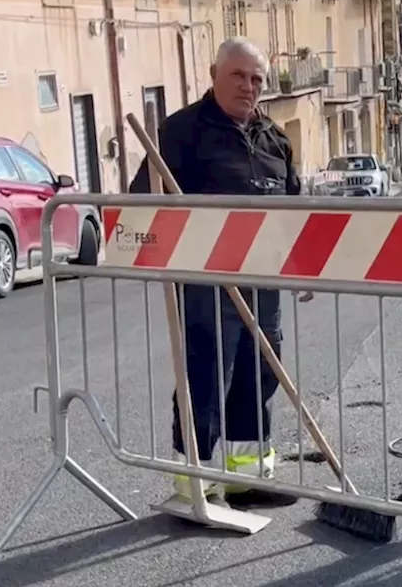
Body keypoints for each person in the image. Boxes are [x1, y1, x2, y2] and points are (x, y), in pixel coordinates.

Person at [129, 37, 302, 505]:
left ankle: (249, 473)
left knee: (260, 370)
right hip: (207, 282)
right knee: (208, 372)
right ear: (213, 74)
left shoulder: (275, 139)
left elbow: (297, 210)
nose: (248, 87)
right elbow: (141, 203)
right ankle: (196, 481)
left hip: (263, 280)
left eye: (257, 79)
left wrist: (301, 265)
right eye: (238, 75)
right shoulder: (180, 133)